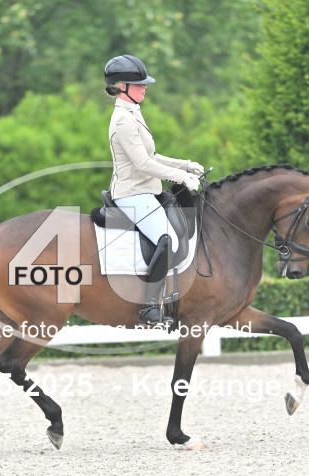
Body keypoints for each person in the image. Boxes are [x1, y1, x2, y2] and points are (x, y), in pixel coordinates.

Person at [104, 54, 204, 325]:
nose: (145, 88)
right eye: (139, 84)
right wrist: (182, 178)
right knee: (167, 239)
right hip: (132, 193)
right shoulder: (123, 120)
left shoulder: (133, 113)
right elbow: (143, 164)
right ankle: (149, 306)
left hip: (146, 191)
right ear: (122, 86)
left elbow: (152, 155)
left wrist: (185, 165)